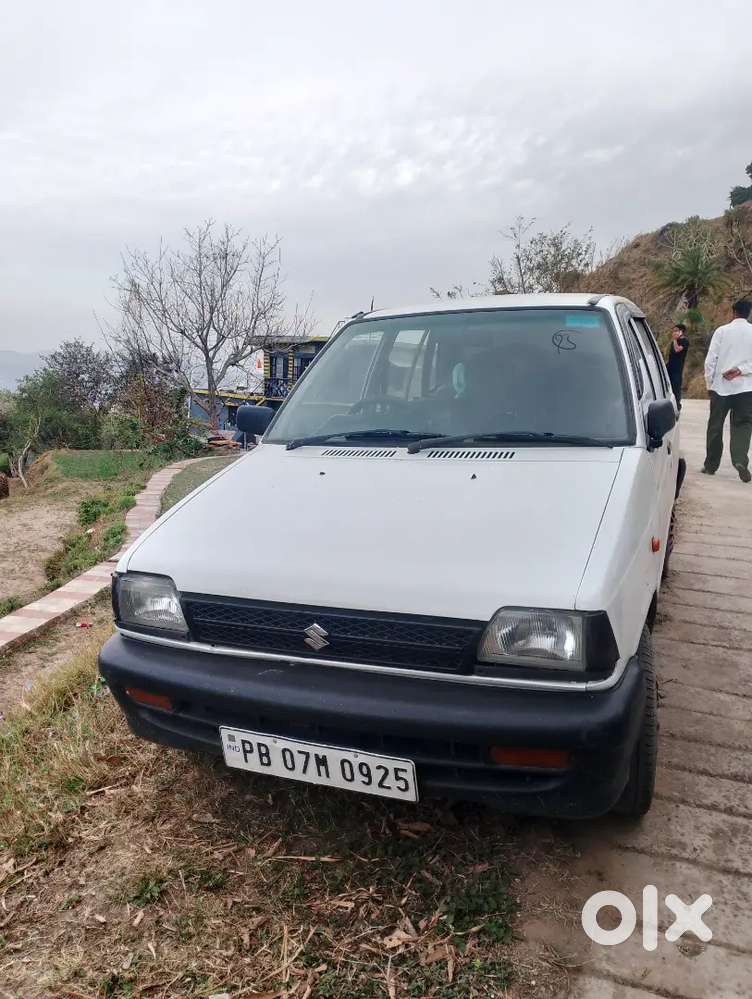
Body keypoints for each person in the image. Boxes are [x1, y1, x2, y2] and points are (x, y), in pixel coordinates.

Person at [702, 299, 752, 483]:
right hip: (746, 388)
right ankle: (740, 460)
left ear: (734, 312)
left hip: (721, 387)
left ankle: (711, 465)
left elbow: (711, 360)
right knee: (743, 424)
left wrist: (709, 384)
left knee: (715, 426)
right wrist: (742, 370)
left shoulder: (722, 331)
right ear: (749, 313)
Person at [666, 322, 689, 409]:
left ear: (681, 331)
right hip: (670, 367)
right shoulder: (674, 342)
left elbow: (677, 350)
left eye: (676, 331)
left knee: (676, 387)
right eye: (673, 331)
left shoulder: (684, 341)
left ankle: (677, 405)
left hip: (677, 369)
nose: (674, 332)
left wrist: (675, 340)